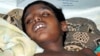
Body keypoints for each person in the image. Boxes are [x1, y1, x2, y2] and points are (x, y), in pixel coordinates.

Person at [21, 1, 96, 56]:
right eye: (29, 20)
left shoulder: (86, 53)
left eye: (45, 14)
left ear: (63, 26)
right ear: (28, 36)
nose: (36, 18)